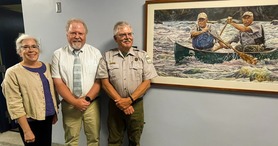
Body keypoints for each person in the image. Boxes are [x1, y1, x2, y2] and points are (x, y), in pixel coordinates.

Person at [96, 21, 158, 146]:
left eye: (129, 34)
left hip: (136, 104)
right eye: (123, 35)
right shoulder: (107, 57)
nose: (127, 37)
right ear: (115, 38)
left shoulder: (142, 56)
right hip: (115, 105)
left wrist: (129, 100)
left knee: (135, 140)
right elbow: (105, 83)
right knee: (114, 140)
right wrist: (121, 102)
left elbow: (147, 82)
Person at [51, 18, 102, 146]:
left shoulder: (95, 53)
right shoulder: (58, 54)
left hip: (91, 104)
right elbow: (58, 83)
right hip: (69, 104)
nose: (77, 36)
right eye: (73, 33)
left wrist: (87, 100)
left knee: (94, 139)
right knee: (71, 140)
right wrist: (75, 102)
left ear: (85, 35)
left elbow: (99, 80)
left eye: (80, 33)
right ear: (67, 35)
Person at [1, 34, 59, 146]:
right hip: (29, 121)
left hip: (47, 117)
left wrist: (55, 111)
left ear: (38, 49)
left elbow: (52, 93)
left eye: (34, 46)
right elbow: (14, 104)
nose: (31, 50)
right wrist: (27, 131)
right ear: (19, 51)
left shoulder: (48, 67)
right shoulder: (13, 73)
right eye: (25, 47)